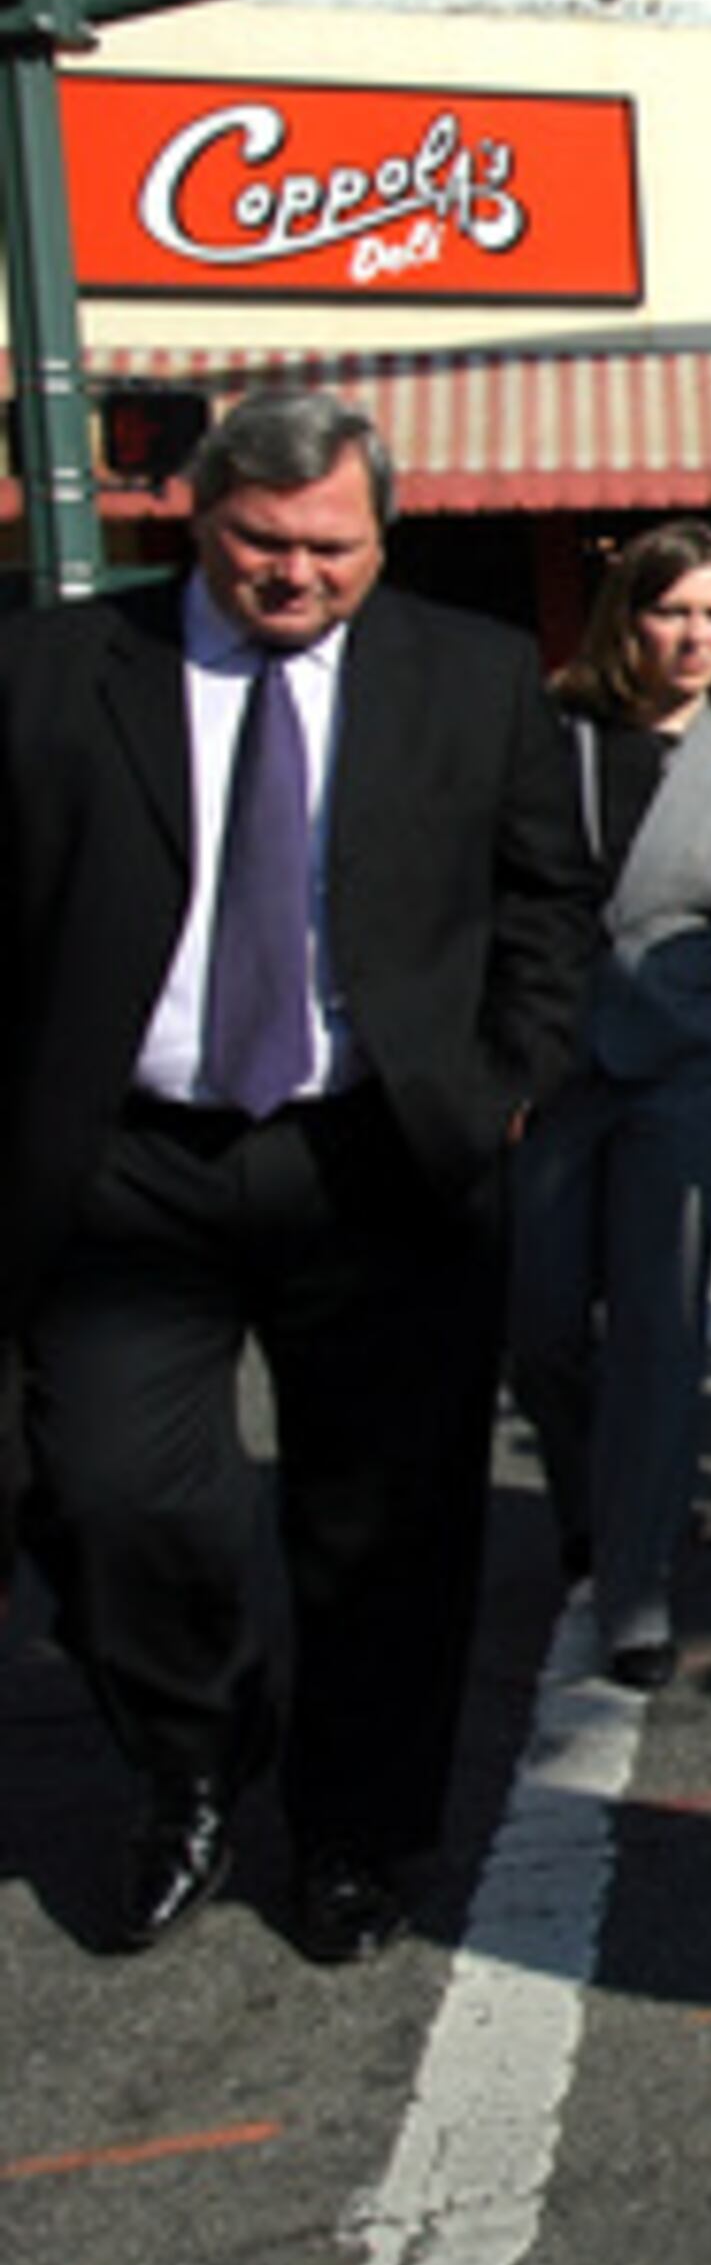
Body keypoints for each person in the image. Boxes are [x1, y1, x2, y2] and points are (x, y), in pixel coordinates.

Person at [0, 388, 597, 1962]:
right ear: (194, 518)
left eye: (332, 548)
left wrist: (505, 1086)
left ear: (380, 537)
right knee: (117, 1498)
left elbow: (547, 903)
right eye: (261, 542)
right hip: (128, 1165)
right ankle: (191, 1755)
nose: (294, 576)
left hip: (383, 1162)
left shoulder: (469, 678)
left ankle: (357, 1833)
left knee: (385, 1532)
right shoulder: (58, 672)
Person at [507, 520, 711, 1697]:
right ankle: (594, 1507)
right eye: (674, 612)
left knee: (656, 1330)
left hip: (684, 1069)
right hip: (548, 1072)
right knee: (543, 1327)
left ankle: (637, 1580)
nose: (696, 636)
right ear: (627, 621)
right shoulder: (548, 735)